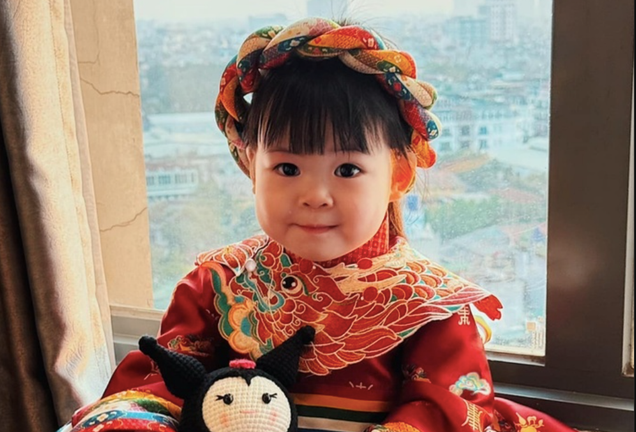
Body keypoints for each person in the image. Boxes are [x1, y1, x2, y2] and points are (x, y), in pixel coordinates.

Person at [61, 17, 578, 432]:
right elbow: (159, 389)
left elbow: (444, 409)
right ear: (250, 165)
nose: (314, 195)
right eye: (287, 168)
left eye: (347, 170)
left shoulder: (429, 306)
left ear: (398, 174)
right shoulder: (216, 286)